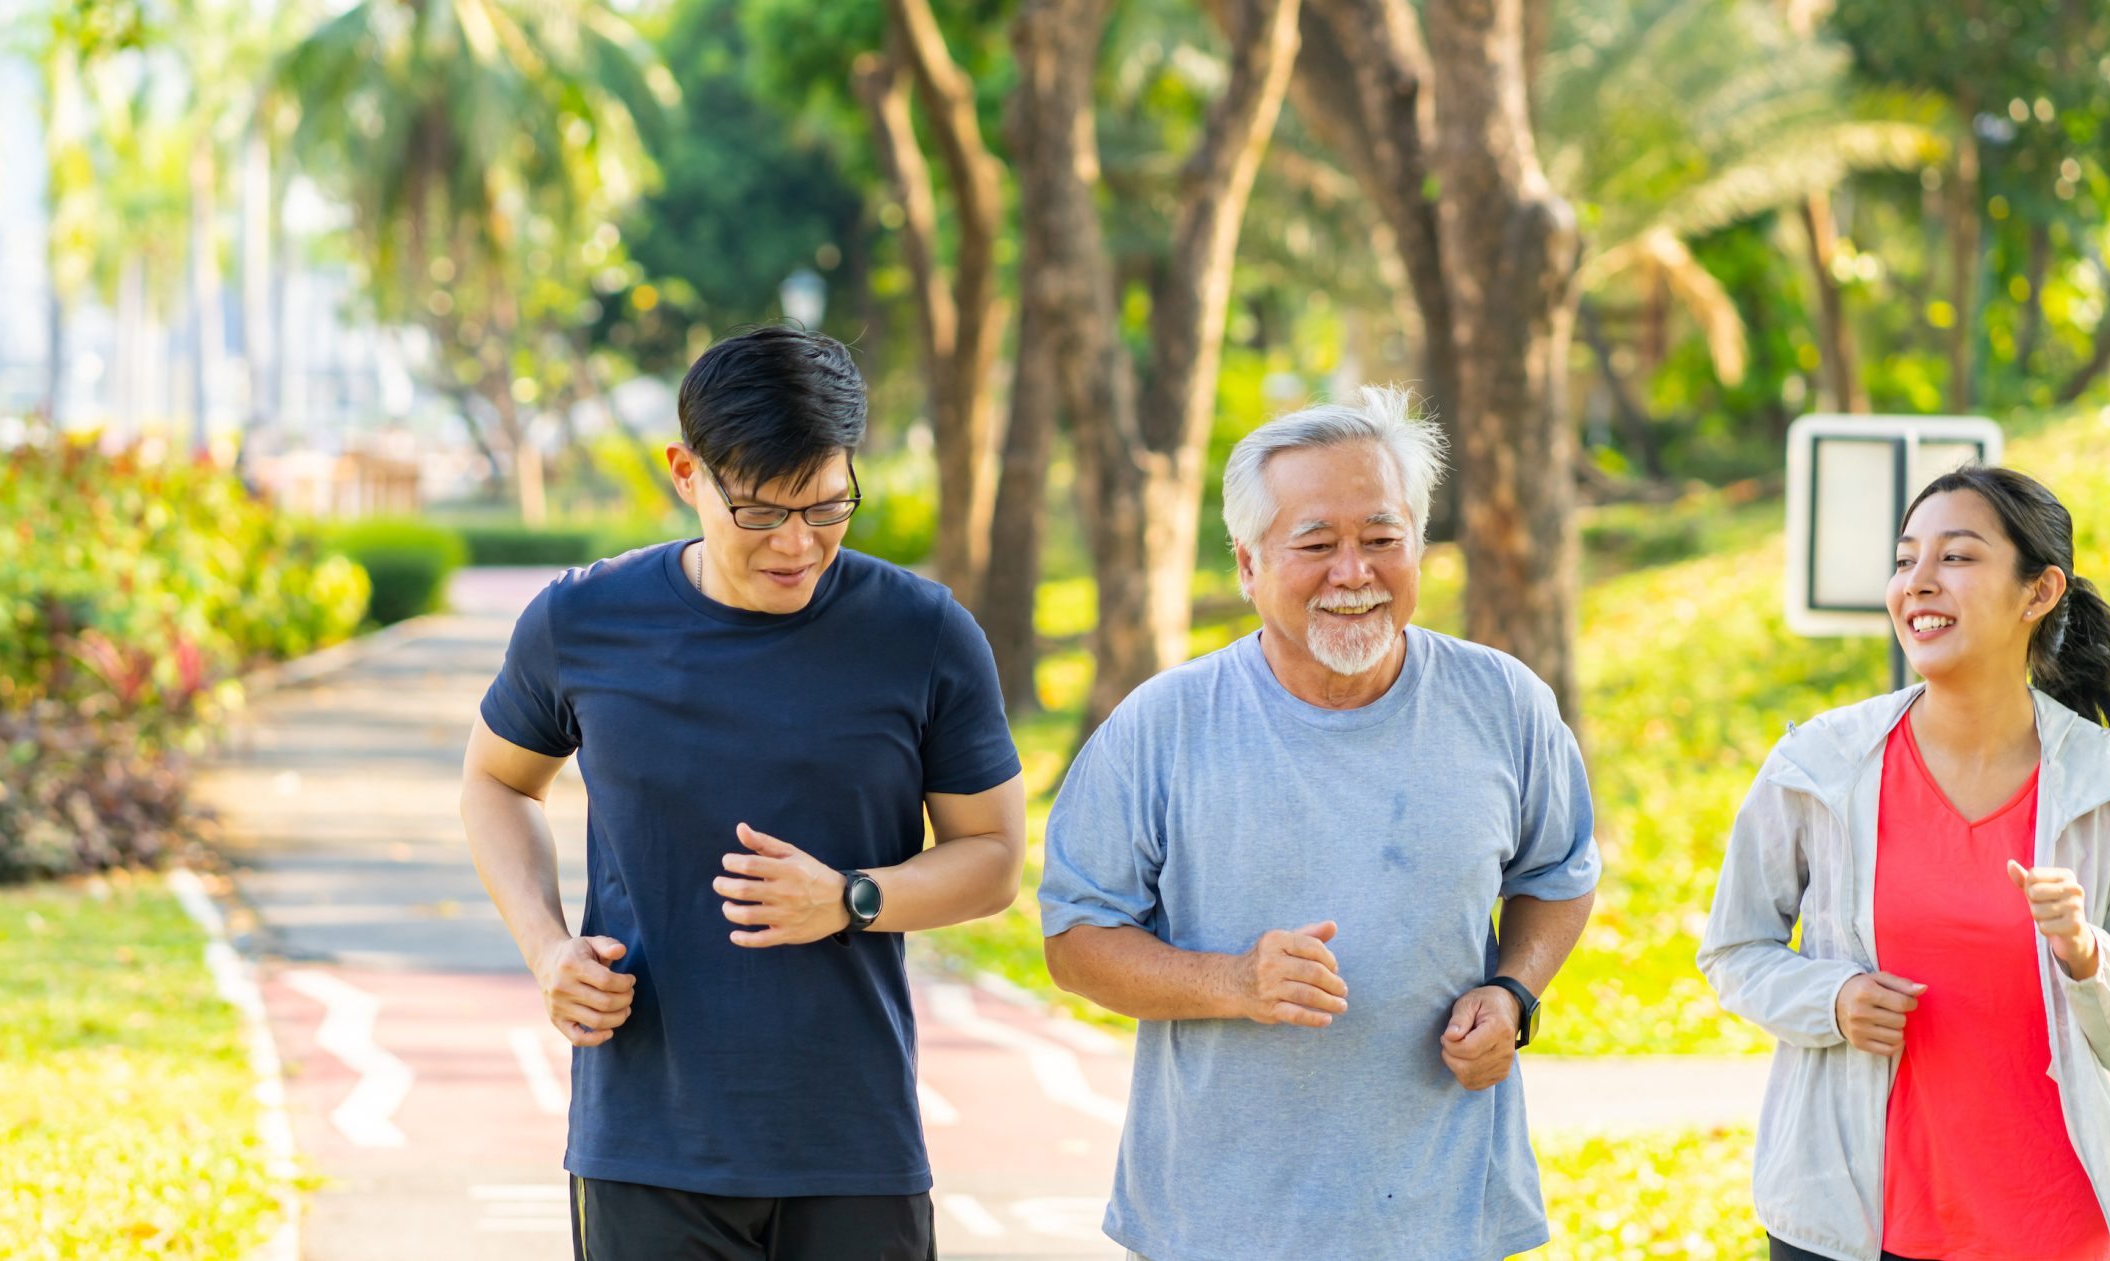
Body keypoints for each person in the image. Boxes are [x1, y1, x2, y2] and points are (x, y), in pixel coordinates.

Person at [460, 325, 1028, 1261]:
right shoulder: (584, 621)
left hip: (853, 1147)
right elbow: (495, 780)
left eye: (829, 505)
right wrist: (546, 945)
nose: (800, 544)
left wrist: (852, 897)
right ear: (687, 472)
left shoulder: (923, 634)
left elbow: (996, 856)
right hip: (645, 1143)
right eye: (762, 512)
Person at [1038, 387, 1600, 1261]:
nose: (1354, 572)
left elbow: (1558, 875)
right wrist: (1234, 983)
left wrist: (1514, 991)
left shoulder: (1506, 703)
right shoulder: (1163, 725)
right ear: (1248, 564)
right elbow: (1074, 938)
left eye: (1383, 539)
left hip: (1444, 1218)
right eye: (1316, 545)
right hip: (1215, 1223)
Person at [1699, 466, 2110, 1261]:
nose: (1917, 583)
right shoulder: (1818, 765)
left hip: (2052, 1231)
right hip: (1847, 1225)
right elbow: (1733, 949)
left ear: (2039, 591)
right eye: (1904, 560)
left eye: (1956, 558)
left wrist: (2087, 954)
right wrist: (1834, 997)